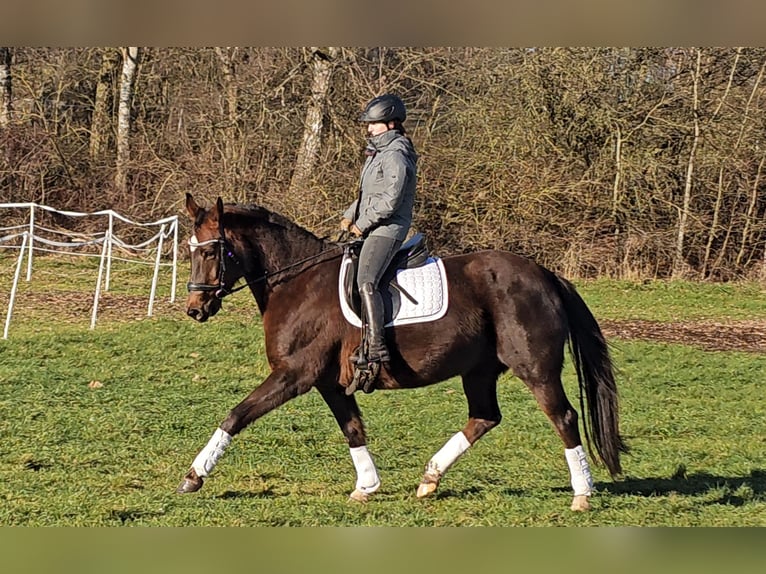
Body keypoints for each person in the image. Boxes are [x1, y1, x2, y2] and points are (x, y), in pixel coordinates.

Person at [340, 93, 418, 368]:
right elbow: (366, 195)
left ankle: (377, 347)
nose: (369, 128)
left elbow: (390, 200)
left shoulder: (396, 154)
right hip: (374, 225)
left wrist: (362, 223)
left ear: (392, 124)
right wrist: (349, 216)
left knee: (366, 281)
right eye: (369, 124)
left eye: (375, 123)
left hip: (388, 228)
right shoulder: (378, 154)